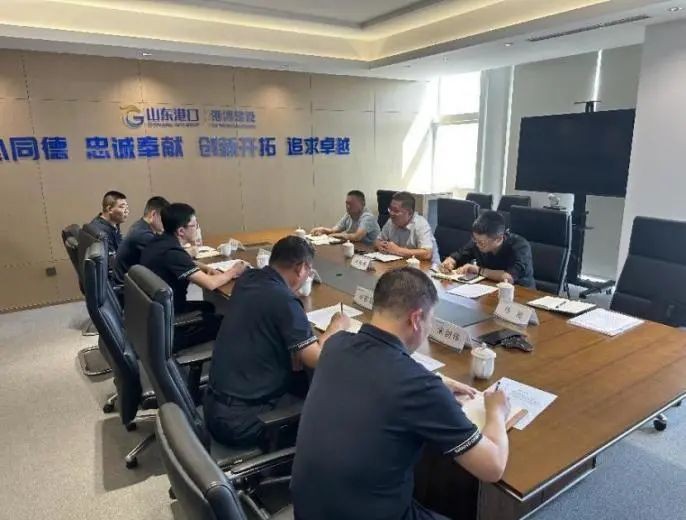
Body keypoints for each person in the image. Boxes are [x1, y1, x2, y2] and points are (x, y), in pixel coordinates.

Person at [291, 267, 511, 520]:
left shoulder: (335, 345)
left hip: (307, 509)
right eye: (430, 320)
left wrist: (437, 381)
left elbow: (378, 370)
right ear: (416, 319)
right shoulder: (419, 387)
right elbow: (492, 467)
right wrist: (496, 411)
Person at [205, 236, 350, 448]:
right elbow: (317, 358)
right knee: (337, 417)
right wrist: (337, 326)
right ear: (301, 268)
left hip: (214, 404)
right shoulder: (284, 301)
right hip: (241, 421)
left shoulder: (248, 279)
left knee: (302, 378)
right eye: (309, 271)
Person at [140, 203, 245, 349]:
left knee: (208, 307)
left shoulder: (160, 242)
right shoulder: (172, 253)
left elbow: (184, 261)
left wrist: (205, 268)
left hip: (154, 316)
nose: (197, 228)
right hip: (167, 327)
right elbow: (210, 284)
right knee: (226, 322)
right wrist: (234, 271)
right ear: (181, 231)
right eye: (194, 225)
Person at [440, 210, 535, 288]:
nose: (477, 244)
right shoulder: (478, 241)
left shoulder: (520, 246)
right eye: (474, 239)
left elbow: (508, 277)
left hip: (521, 294)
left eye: (481, 242)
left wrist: (478, 270)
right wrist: (450, 262)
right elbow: (459, 255)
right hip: (488, 289)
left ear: (499, 239)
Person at [113, 196, 169, 284]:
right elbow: (168, 256)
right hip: (126, 287)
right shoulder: (142, 235)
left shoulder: (141, 226)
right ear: (153, 214)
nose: (166, 222)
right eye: (164, 218)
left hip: (131, 283)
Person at [375, 191, 440, 264]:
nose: (391, 213)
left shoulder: (420, 224)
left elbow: (427, 254)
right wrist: (379, 245)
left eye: (396, 211)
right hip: (401, 265)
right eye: (390, 209)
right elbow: (377, 241)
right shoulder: (391, 222)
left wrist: (398, 250)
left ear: (410, 213)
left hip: (427, 267)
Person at [310, 190, 381, 244]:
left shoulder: (368, 217)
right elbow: (333, 230)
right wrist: (322, 230)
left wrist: (334, 235)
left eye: (351, 204)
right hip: (355, 248)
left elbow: (357, 237)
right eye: (347, 203)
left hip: (370, 251)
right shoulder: (348, 214)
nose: (348, 206)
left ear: (363, 203)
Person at [89, 190, 129, 256]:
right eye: (122, 207)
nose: (127, 211)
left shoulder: (114, 223)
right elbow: (113, 260)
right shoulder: (101, 233)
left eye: (126, 207)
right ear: (109, 209)